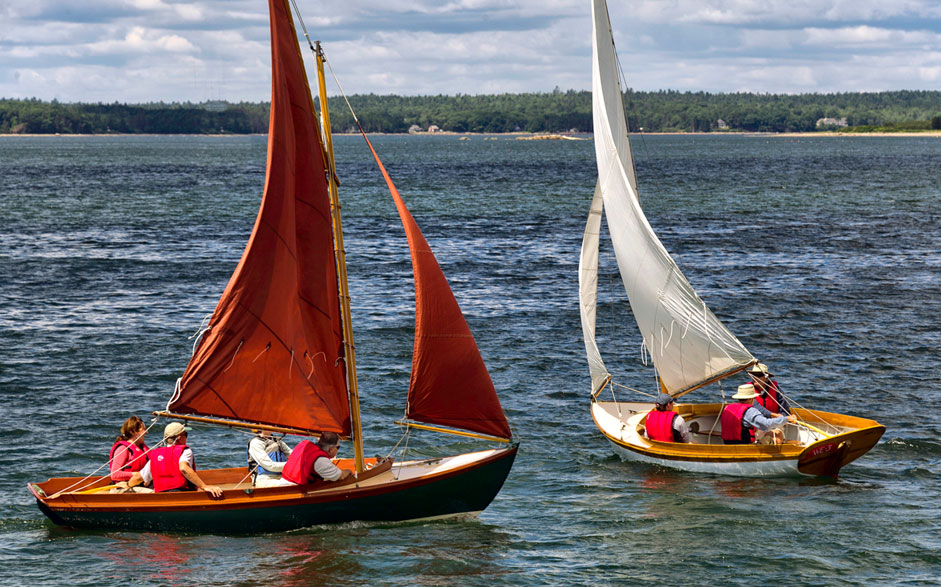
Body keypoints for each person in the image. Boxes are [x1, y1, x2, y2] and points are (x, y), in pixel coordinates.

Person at [127, 422, 223, 497]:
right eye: (186, 434)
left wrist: (127, 486)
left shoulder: (156, 455)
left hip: (161, 497)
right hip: (183, 495)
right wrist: (204, 487)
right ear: (180, 438)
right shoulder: (185, 451)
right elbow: (183, 468)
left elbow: (138, 477)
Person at [721, 383, 797, 445]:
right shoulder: (750, 411)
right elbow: (767, 424)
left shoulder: (727, 408)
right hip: (745, 446)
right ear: (751, 399)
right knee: (777, 433)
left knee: (762, 431)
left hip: (728, 444)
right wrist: (786, 419)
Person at [278, 432, 352, 486]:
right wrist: (348, 471)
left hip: (284, 481)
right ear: (331, 449)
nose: (338, 449)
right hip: (294, 490)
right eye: (338, 447)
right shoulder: (321, 460)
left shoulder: (304, 444)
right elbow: (340, 476)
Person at [109, 416, 150, 483]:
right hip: (126, 486)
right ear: (134, 431)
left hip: (141, 484)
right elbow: (114, 474)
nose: (146, 432)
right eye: (143, 429)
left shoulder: (143, 449)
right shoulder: (123, 449)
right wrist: (137, 475)